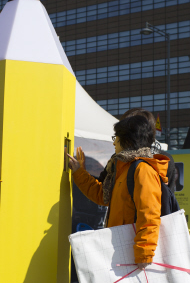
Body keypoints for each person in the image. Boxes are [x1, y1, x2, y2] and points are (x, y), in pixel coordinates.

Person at [67, 115, 169, 270]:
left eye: (117, 137)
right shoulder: (123, 168)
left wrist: (144, 253)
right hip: (122, 249)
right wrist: (78, 172)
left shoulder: (142, 170)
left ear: (128, 140)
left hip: (134, 256)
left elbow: (149, 214)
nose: (114, 142)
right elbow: (101, 195)